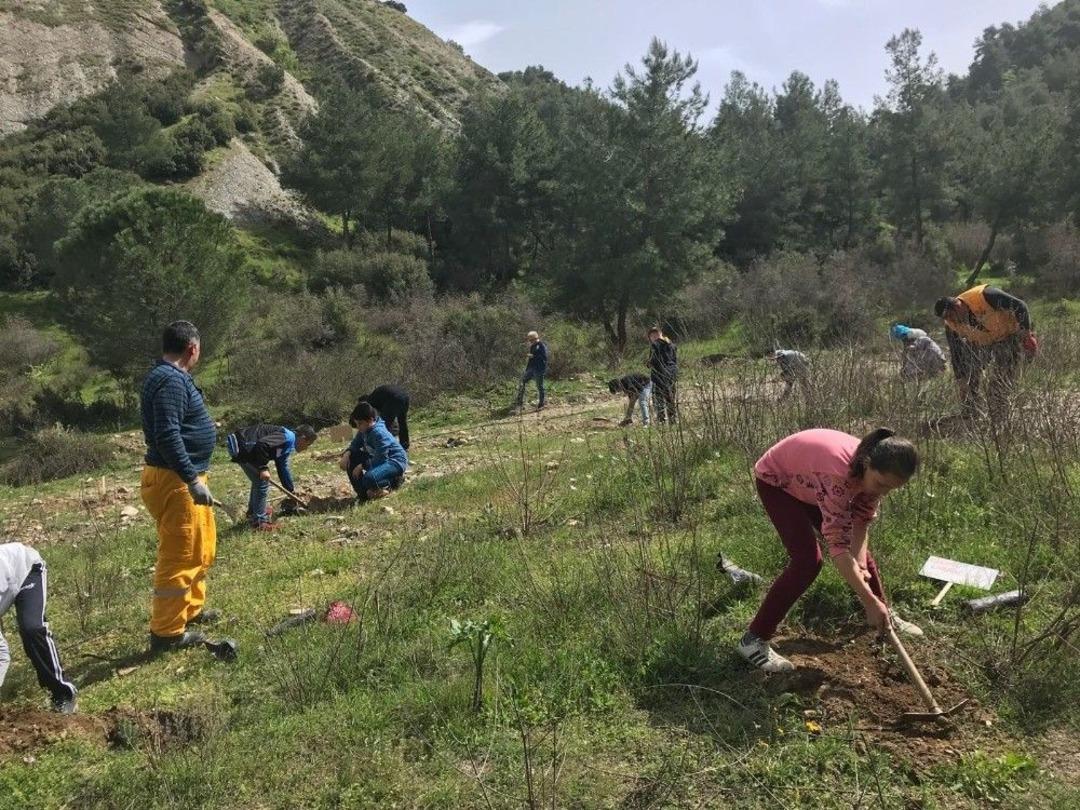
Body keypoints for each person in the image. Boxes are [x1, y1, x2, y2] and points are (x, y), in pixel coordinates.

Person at [737, 428, 924, 673]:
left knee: (861, 557)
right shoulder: (838, 477)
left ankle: (883, 615)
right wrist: (867, 600)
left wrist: (861, 566)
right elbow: (838, 547)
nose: (882, 492)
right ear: (867, 465)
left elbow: (860, 525)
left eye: (890, 488)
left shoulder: (874, 475)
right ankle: (752, 640)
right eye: (880, 484)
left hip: (810, 482)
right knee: (807, 561)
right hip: (779, 481)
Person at [140, 321, 219, 654]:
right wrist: (190, 479)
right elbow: (167, 435)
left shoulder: (169, 377)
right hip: (176, 481)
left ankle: (191, 610)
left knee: (201, 547)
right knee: (180, 555)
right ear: (193, 348)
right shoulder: (170, 381)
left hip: (186, 478)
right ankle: (167, 633)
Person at [934, 285, 1037, 419]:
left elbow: (1020, 306)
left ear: (958, 305)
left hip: (1009, 335)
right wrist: (961, 380)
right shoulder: (951, 325)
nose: (951, 320)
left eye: (950, 315)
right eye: (946, 318)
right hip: (983, 342)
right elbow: (956, 354)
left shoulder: (985, 295)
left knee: (1000, 381)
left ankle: (1001, 416)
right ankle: (972, 414)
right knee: (970, 377)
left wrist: (1026, 335)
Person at [1, 542, 77, 713]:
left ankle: (63, 693)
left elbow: (1, 653)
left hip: (28, 569)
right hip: (6, 582)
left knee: (32, 629)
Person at [226, 424, 318, 530]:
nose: (306, 449)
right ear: (303, 438)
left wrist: (291, 490)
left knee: (258, 481)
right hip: (242, 445)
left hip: (242, 445)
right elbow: (262, 444)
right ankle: (260, 522)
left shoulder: (286, 445)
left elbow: (283, 468)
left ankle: (253, 513)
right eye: (308, 444)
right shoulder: (288, 437)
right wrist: (263, 468)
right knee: (262, 482)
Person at [339, 401, 409, 500]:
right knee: (352, 457)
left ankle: (394, 481)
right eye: (357, 424)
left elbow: (381, 458)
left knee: (369, 479)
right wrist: (347, 454)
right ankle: (363, 494)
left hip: (393, 461)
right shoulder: (364, 429)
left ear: (370, 420)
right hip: (376, 459)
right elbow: (355, 444)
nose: (358, 427)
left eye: (360, 424)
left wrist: (362, 466)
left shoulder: (379, 433)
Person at [361, 386, 410, 450]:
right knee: (402, 421)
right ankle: (404, 444)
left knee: (384, 425)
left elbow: (373, 418)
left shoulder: (370, 402)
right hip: (405, 397)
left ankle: (384, 446)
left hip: (393, 398)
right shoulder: (376, 396)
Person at [647, 327, 678, 423]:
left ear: (657, 335)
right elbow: (674, 360)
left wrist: (648, 363)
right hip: (672, 373)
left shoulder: (655, 345)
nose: (652, 338)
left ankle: (661, 420)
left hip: (659, 374)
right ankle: (672, 419)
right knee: (670, 396)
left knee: (658, 397)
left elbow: (653, 360)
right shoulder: (672, 345)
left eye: (652, 336)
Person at [514, 331, 548, 412]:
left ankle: (541, 403)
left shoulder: (541, 345)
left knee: (539, 386)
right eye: (529, 340)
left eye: (531, 340)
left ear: (535, 338)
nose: (530, 342)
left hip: (539, 369)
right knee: (522, 382)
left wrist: (533, 356)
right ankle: (520, 403)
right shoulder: (533, 346)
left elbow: (544, 358)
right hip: (531, 369)